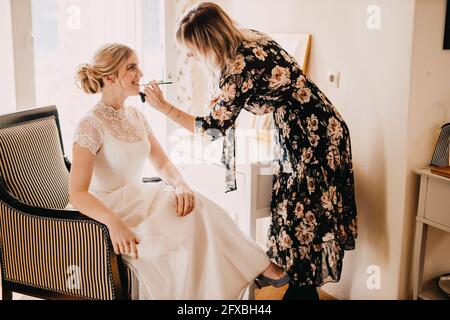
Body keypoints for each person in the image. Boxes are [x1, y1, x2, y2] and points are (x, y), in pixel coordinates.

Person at [143, 2, 358, 300]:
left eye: (192, 48)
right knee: (297, 214)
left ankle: (299, 292)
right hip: (313, 124)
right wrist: (228, 99)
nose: (190, 56)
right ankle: (297, 288)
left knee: (303, 218)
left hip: (312, 135)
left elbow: (212, 130)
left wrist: (164, 107)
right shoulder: (250, 39)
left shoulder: (238, 68)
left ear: (209, 41)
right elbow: (261, 90)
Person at [68, 43, 289, 300]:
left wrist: (181, 184)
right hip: (107, 211)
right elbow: (77, 193)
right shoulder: (90, 124)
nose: (140, 73)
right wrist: (113, 223)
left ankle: (257, 266)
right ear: (109, 77)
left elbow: (162, 163)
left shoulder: (136, 117)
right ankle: (260, 266)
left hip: (138, 200)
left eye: (138, 65)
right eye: (131, 67)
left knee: (194, 206)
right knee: (178, 239)